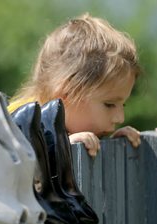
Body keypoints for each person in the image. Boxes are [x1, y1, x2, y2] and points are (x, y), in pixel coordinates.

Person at [9, 13, 141, 157]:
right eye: (109, 104)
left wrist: (114, 145)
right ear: (65, 95)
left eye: (123, 105)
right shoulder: (14, 129)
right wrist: (61, 150)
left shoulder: (71, 124)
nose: (120, 118)